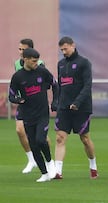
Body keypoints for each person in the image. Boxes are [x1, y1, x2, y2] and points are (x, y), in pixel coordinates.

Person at [9, 48, 57, 182]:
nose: (36, 63)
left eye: (37, 60)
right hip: (27, 115)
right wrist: (18, 100)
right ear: (25, 59)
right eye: (34, 61)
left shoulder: (42, 71)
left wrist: (55, 102)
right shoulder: (18, 77)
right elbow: (11, 96)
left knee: (41, 140)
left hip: (42, 113)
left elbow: (55, 85)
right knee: (33, 145)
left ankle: (49, 162)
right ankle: (44, 174)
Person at [54, 36, 98, 179]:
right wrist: (57, 102)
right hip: (64, 108)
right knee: (60, 138)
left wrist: (77, 102)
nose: (64, 52)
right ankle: (57, 172)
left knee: (84, 138)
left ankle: (93, 166)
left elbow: (87, 85)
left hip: (81, 108)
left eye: (65, 49)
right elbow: (60, 86)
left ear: (73, 46)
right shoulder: (60, 64)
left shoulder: (84, 63)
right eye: (61, 50)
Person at [14, 38, 51, 174]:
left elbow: (47, 82)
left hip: (38, 106)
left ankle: (48, 161)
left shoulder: (40, 65)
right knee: (19, 130)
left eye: (23, 49)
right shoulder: (17, 64)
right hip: (24, 105)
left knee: (41, 137)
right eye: (19, 49)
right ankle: (31, 159)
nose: (20, 52)